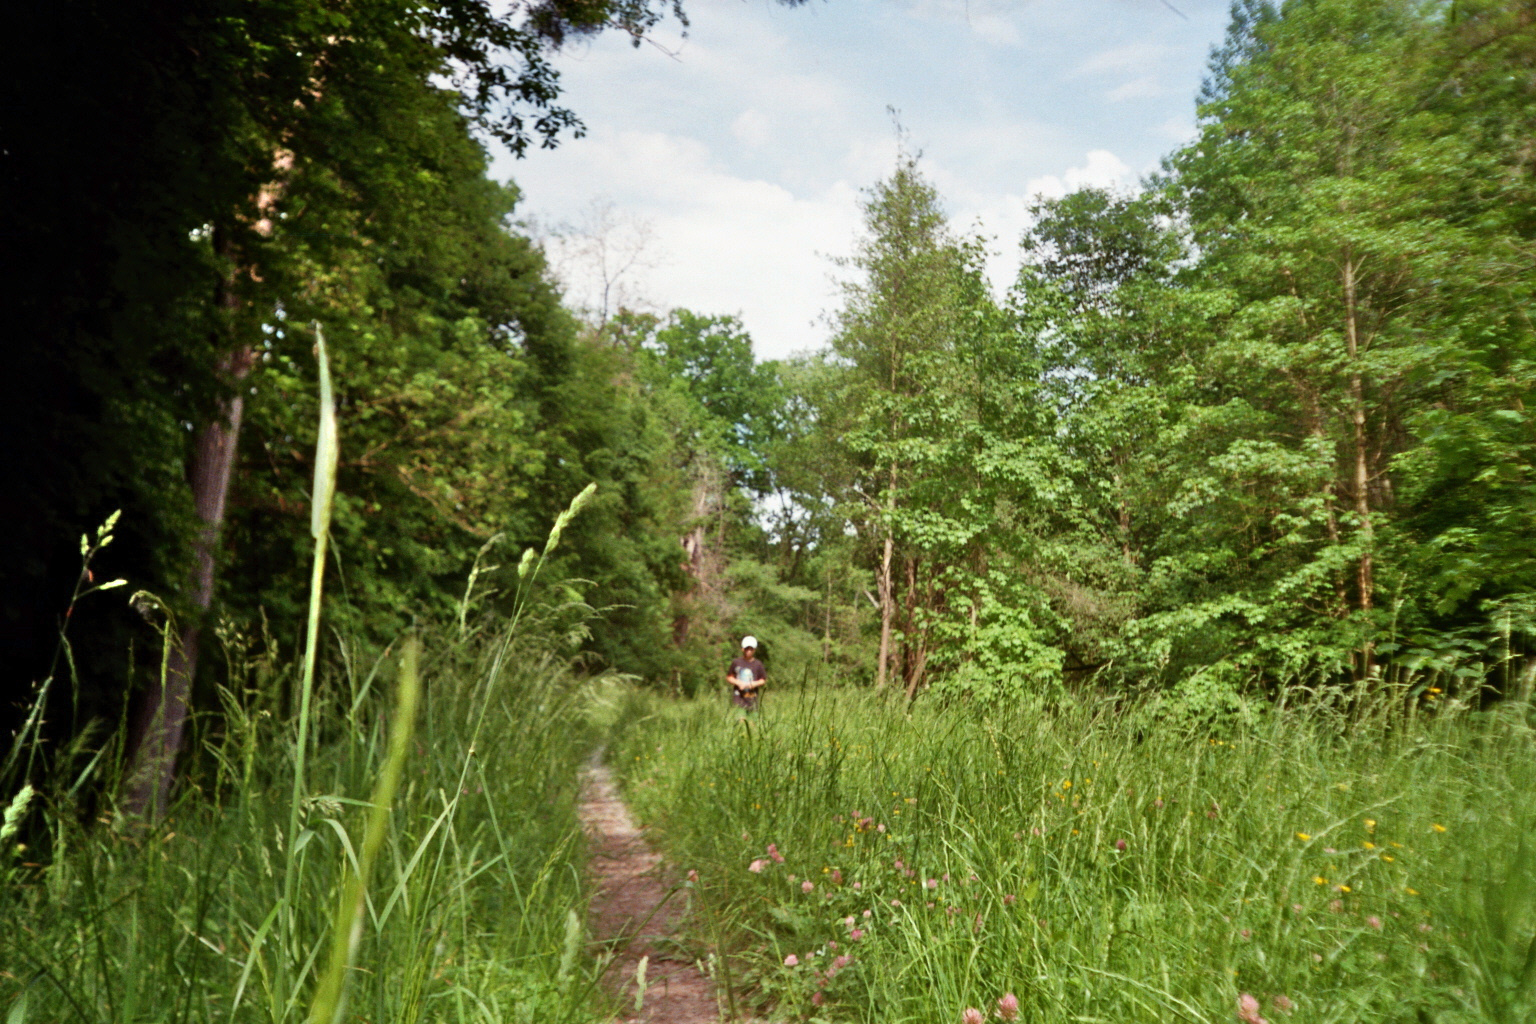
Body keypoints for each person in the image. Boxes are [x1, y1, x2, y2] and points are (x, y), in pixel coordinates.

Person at [726, 635, 767, 711]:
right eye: (746, 649)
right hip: (738, 699)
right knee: (740, 720)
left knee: (752, 722)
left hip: (752, 700)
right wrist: (738, 683)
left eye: (751, 649)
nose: (748, 651)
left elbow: (763, 680)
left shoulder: (758, 664)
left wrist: (752, 684)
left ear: (754, 650)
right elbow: (729, 677)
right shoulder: (736, 662)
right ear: (742, 649)